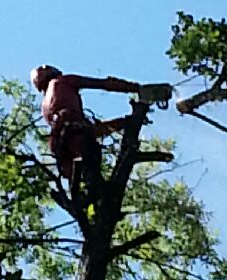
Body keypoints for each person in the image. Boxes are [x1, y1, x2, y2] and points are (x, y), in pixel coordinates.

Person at [30, 65, 171, 190]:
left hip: (61, 149)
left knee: (88, 174)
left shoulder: (46, 109)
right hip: (75, 141)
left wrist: (124, 122)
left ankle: (91, 194)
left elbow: (94, 131)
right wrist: (136, 88)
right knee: (91, 160)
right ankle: (95, 191)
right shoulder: (62, 81)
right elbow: (102, 84)